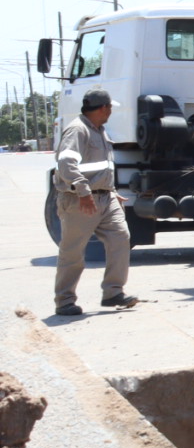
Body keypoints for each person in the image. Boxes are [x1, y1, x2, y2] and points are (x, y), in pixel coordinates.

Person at [52, 89, 136, 317]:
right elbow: (65, 164)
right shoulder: (77, 130)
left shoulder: (100, 130)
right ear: (102, 108)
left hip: (105, 198)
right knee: (73, 251)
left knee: (121, 238)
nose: (110, 111)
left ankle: (113, 292)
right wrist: (83, 191)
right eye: (109, 107)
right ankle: (65, 301)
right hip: (80, 200)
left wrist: (111, 190)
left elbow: (101, 167)